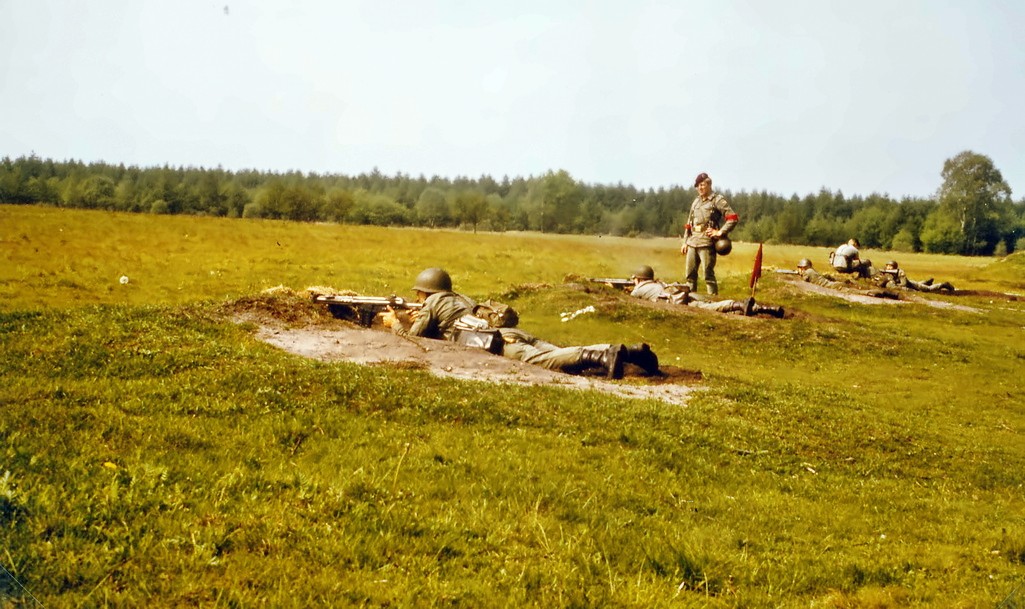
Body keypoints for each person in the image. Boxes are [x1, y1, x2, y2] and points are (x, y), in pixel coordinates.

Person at [382, 267, 660, 378]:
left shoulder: (433, 302)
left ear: (426, 292)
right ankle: (628, 351)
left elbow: (414, 339)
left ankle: (604, 356)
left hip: (501, 343)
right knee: (557, 351)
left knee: (548, 361)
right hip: (509, 331)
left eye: (419, 294)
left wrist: (395, 323)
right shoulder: (461, 298)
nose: (417, 299)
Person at [628, 265, 784, 318]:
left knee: (711, 308)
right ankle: (762, 309)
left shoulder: (639, 288)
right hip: (682, 297)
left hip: (677, 303)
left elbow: (631, 298)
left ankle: (739, 305)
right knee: (712, 306)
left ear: (639, 279)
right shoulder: (658, 283)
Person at [681, 172, 739, 296]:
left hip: (707, 243)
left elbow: (733, 218)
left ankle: (713, 302)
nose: (700, 188)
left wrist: (720, 232)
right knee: (690, 276)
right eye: (698, 186)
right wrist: (685, 242)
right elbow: (689, 223)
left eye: (702, 185)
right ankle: (690, 300)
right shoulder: (696, 201)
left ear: (709, 185)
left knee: (708, 276)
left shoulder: (717, 200)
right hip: (692, 242)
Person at [796, 259, 896, 297]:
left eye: (800, 268)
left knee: (854, 292)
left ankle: (871, 293)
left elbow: (803, 281)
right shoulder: (811, 271)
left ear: (803, 267)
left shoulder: (807, 272)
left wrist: (800, 274)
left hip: (833, 286)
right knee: (853, 290)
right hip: (834, 285)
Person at [876, 260, 955, 292]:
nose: (888, 268)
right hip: (907, 284)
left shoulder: (900, 272)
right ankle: (926, 282)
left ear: (895, 267)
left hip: (910, 284)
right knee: (922, 284)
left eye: (890, 266)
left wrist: (895, 285)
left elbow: (904, 284)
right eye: (887, 266)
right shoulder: (885, 272)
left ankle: (943, 284)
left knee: (928, 289)